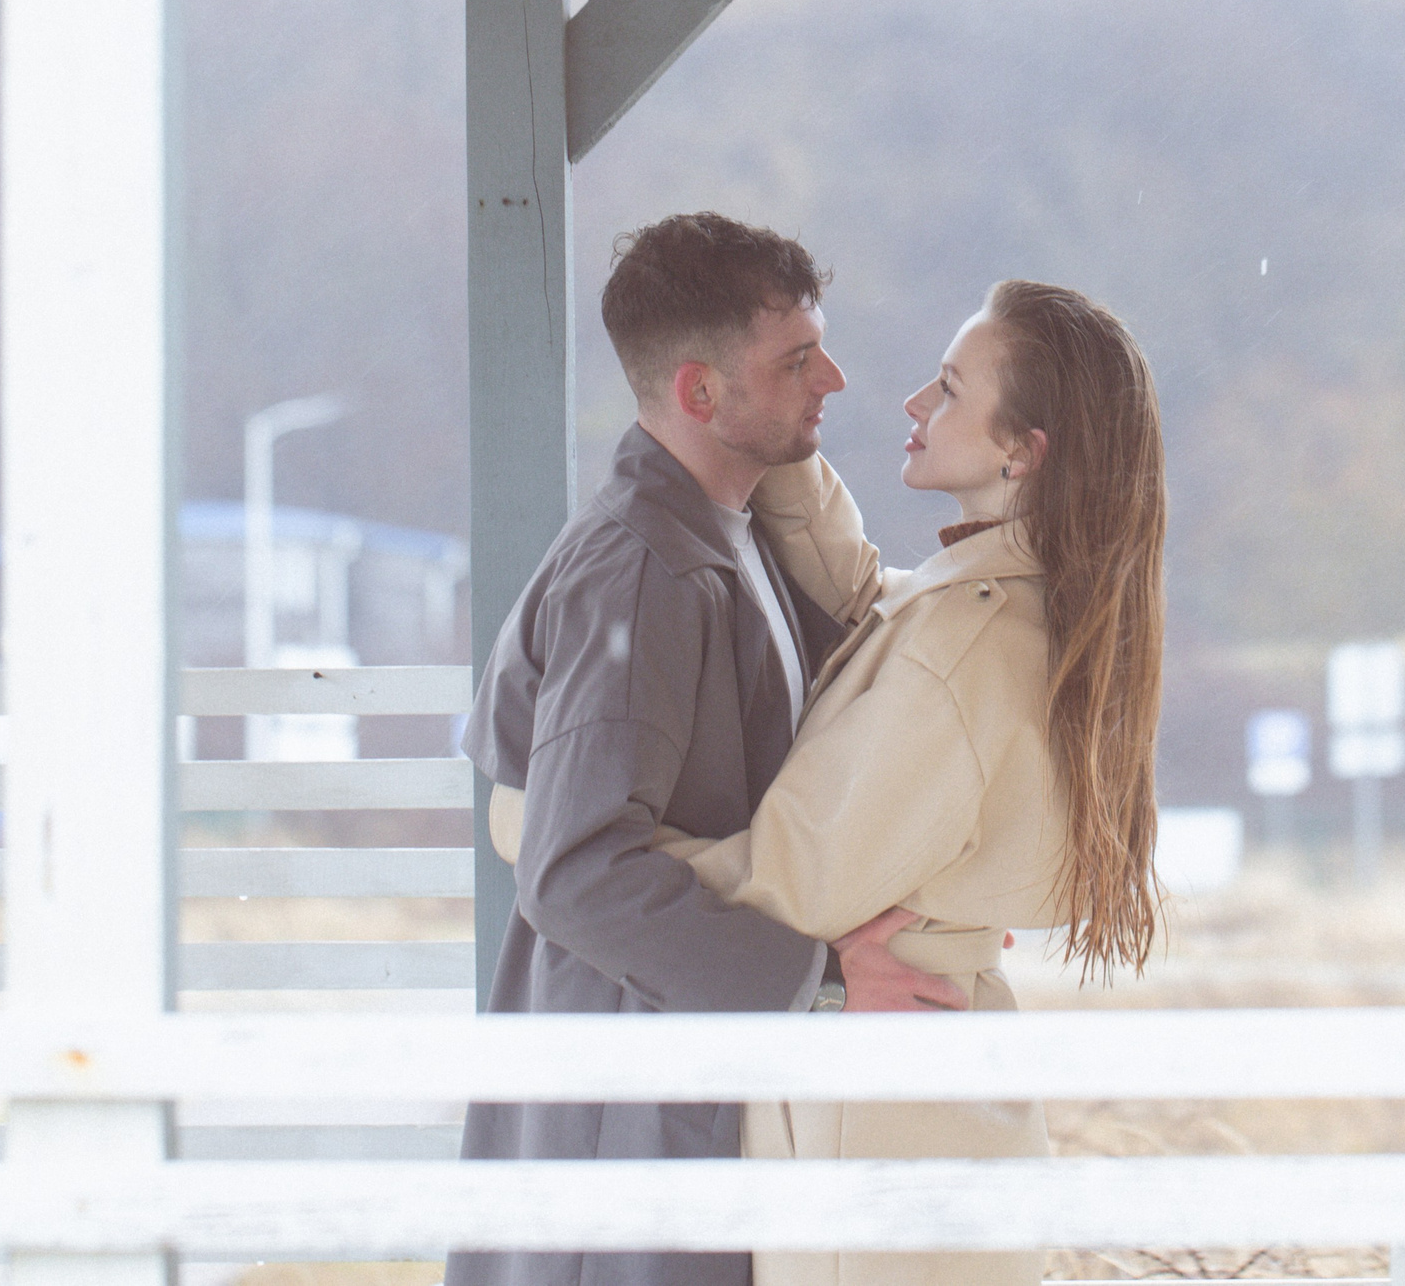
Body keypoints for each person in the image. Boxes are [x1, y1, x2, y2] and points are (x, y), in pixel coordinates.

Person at [451, 212, 957, 1286]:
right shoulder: (645, 574)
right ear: (698, 393)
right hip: (626, 1113)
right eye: (795, 360)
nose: (835, 377)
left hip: (658, 1076)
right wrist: (817, 978)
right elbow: (576, 869)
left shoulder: (717, 531)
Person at [653, 277, 1169, 1286]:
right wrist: (791, 452)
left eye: (946, 388)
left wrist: (552, 828)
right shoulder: (1018, 606)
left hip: (877, 1107)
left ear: (1022, 448)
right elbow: (873, 608)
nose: (911, 407)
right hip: (942, 1083)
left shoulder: (964, 647)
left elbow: (782, 886)